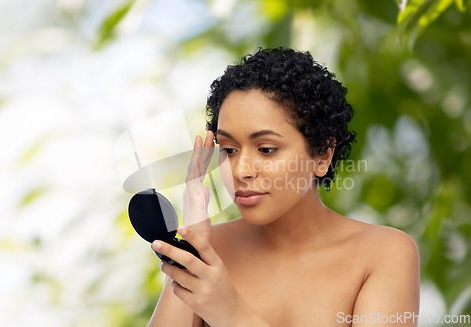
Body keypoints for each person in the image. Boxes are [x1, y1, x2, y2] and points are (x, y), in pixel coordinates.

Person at [147, 47, 420, 327]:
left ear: (323, 154)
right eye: (229, 150)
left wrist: (230, 314)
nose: (241, 170)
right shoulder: (210, 252)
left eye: (266, 149)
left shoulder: (383, 254)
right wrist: (192, 251)